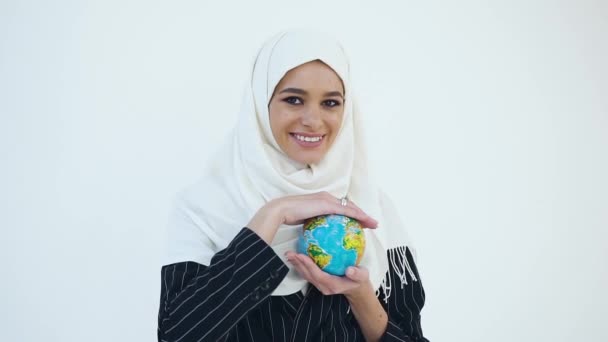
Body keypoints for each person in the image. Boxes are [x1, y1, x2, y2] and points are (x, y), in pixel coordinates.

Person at [157, 29, 429, 342]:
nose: (313, 120)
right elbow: (176, 335)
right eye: (294, 100)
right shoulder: (204, 209)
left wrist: (361, 296)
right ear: (261, 103)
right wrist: (274, 214)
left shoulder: (371, 207)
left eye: (330, 103)